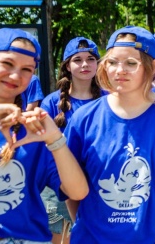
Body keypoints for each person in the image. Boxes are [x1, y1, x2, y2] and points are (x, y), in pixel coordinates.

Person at [64, 26, 155, 244]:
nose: (120, 70)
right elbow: (71, 188)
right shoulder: (83, 119)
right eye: (112, 62)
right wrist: (90, 227)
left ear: (154, 66)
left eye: (131, 63)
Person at [0, 28, 89, 242]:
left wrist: (56, 140)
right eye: (8, 63)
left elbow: (77, 192)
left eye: (26, 69)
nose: (16, 76)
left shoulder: (31, 132)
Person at [40, 36, 104, 243]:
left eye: (91, 59)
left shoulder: (110, 99)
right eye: (78, 59)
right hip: (59, 188)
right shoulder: (51, 103)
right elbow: (43, 151)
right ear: (68, 66)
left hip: (100, 186)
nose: (85, 64)